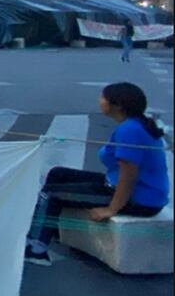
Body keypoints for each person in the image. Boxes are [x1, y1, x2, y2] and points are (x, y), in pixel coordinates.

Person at [25, 82, 170, 266]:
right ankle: (48, 229)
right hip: (123, 187)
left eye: (103, 98)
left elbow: (129, 176)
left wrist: (112, 209)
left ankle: (35, 250)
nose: (99, 101)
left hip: (140, 200)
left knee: (50, 194)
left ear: (117, 105)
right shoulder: (136, 124)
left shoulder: (129, 130)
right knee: (58, 174)